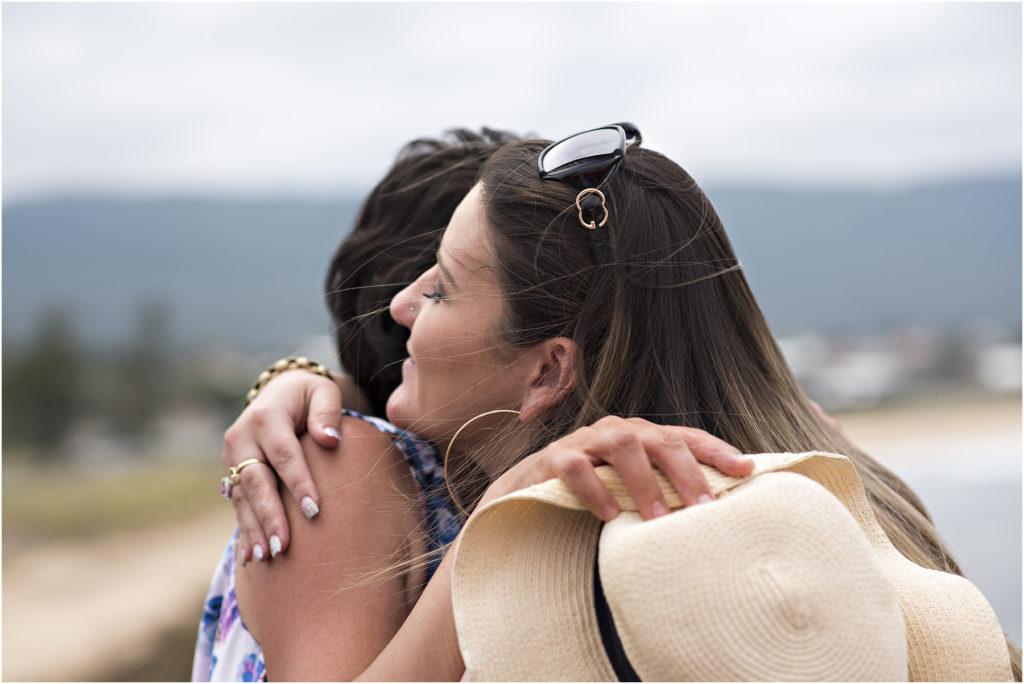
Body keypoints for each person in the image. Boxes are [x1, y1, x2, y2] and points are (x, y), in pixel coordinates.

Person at [205, 124, 1021, 680]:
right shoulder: (811, 472)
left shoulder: (759, 503)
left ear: (548, 370)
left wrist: (505, 515)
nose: (400, 310)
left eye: (444, 288)